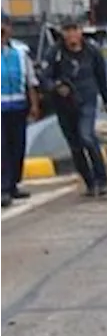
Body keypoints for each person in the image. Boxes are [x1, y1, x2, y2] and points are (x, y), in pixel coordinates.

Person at [39, 17, 107, 197]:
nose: (72, 34)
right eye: (67, 30)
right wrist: (56, 86)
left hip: (87, 100)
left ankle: (102, 180)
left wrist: (106, 98)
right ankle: (89, 182)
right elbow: (44, 77)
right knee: (75, 145)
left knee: (87, 136)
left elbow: (101, 75)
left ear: (81, 31)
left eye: (75, 29)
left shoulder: (92, 51)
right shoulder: (54, 52)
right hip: (64, 104)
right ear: (63, 33)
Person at [0, 12, 40, 208]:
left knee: (17, 148)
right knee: (2, 149)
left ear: (9, 29)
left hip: (18, 106)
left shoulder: (20, 51)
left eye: (3, 26)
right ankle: (4, 188)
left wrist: (34, 105)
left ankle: (14, 184)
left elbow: (30, 81)